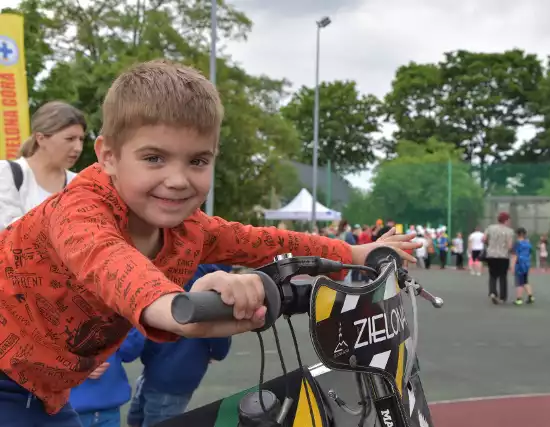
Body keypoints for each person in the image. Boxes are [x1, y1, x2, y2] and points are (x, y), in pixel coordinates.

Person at [0, 59, 420, 426]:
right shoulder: (79, 209)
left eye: (198, 160)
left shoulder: (189, 230)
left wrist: (355, 254)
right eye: (154, 158)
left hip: (42, 394)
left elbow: (261, 240)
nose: (178, 179)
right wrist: (178, 302)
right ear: (108, 156)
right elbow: (108, 261)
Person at [127, 265, 233, 427]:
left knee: (147, 415)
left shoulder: (178, 271)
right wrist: (218, 352)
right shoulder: (213, 283)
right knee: (145, 414)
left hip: (165, 367)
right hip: (171, 369)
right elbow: (219, 333)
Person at [0, 101, 86, 229]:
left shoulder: (79, 183)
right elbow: (9, 229)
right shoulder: (7, 173)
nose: (78, 148)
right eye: (70, 139)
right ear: (40, 138)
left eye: (81, 139)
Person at [70, 329, 145, 427]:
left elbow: (129, 352)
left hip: (108, 406)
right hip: (67, 410)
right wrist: (74, 365)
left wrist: (133, 322)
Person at [484, 212, 514, 304]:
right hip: (503, 256)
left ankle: (493, 292)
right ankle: (502, 296)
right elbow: (509, 245)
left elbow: (484, 239)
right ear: (506, 220)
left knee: (492, 275)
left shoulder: (490, 228)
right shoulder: (509, 231)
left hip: (491, 254)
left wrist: (489, 245)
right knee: (503, 276)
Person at [511, 227, 535, 306]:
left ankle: (519, 299)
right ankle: (530, 296)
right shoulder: (528, 243)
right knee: (525, 281)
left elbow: (515, 255)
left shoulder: (517, 243)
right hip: (526, 263)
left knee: (519, 282)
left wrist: (512, 266)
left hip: (519, 264)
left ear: (518, 234)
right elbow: (530, 253)